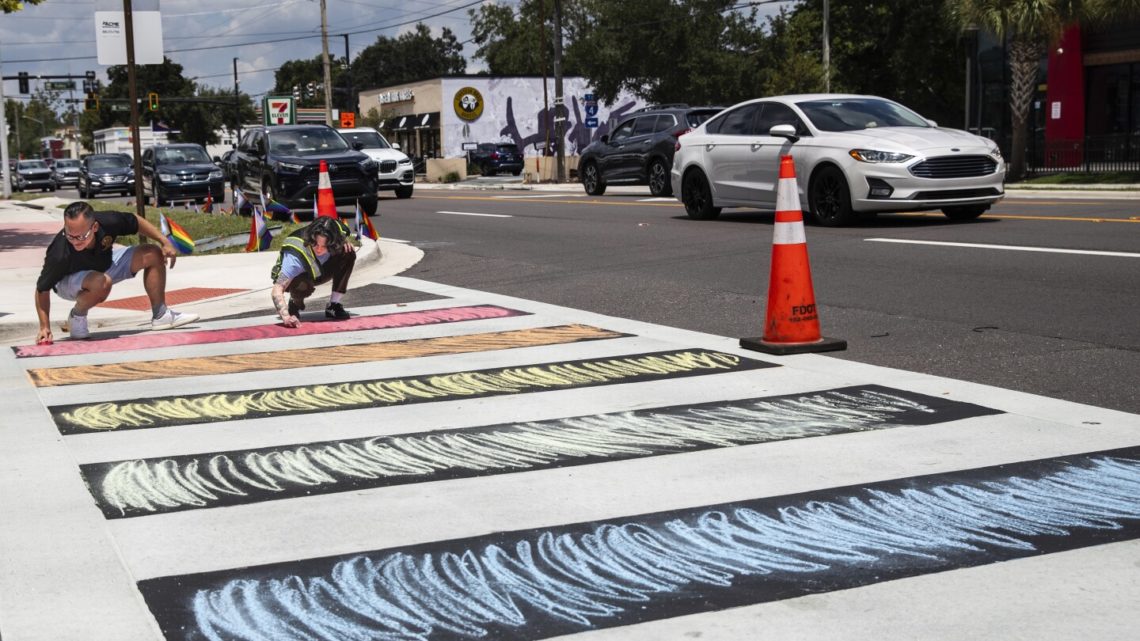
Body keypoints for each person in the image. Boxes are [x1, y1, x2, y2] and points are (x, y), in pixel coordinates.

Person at [34, 201, 199, 344]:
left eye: (82, 236)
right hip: (67, 281)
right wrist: (44, 327)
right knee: (102, 282)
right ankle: (77, 316)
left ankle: (161, 314)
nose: (76, 241)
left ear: (95, 227)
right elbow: (41, 289)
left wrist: (164, 241)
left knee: (153, 253)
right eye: (71, 236)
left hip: (104, 264)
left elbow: (136, 221)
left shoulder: (108, 221)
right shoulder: (59, 253)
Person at [270, 216, 356, 327]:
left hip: (320, 270)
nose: (319, 249)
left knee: (348, 252)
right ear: (311, 239)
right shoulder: (294, 257)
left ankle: (333, 305)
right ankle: (295, 302)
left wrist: (344, 242)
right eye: (315, 244)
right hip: (299, 278)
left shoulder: (339, 230)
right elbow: (277, 289)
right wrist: (286, 317)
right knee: (302, 285)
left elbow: (341, 235)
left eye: (324, 246)